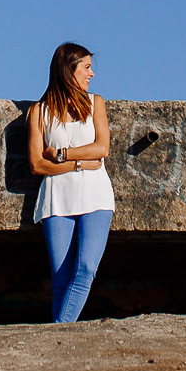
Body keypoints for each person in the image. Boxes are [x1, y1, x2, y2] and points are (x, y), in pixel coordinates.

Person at [27, 41, 114, 323]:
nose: (92, 74)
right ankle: (60, 342)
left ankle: (58, 332)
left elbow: (101, 150)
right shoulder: (39, 112)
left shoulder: (95, 103)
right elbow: (37, 163)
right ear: (69, 69)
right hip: (56, 198)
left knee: (86, 267)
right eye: (87, 67)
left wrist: (63, 155)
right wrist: (81, 162)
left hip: (96, 196)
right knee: (61, 276)